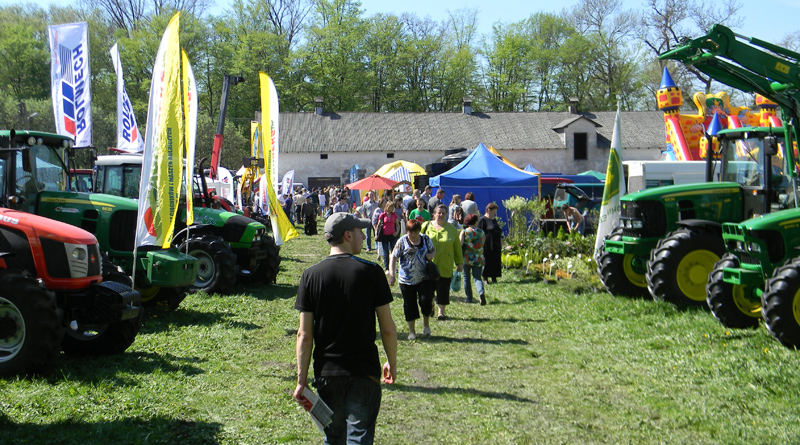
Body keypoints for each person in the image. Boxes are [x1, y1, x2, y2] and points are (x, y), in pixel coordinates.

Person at [293, 212, 397, 444]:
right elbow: (388, 328)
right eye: (360, 231)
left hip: (327, 374)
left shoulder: (310, 276)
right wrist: (391, 361)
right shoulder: (372, 272)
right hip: (364, 372)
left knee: (333, 438)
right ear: (348, 235)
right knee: (359, 438)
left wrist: (301, 381)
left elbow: (304, 334)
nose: (363, 236)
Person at [388, 219, 435, 339]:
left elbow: (433, 250)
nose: (413, 235)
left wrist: (431, 255)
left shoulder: (425, 239)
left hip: (424, 277)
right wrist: (392, 274)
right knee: (410, 305)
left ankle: (426, 325)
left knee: (426, 301)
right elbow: (393, 257)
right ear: (407, 231)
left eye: (415, 232)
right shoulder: (402, 241)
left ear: (419, 231)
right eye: (410, 232)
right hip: (406, 280)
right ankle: (411, 332)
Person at [422, 204, 463, 320]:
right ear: (434, 214)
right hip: (428, 265)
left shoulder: (452, 230)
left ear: (447, 215)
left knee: (443, 290)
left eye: (443, 213)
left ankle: (441, 312)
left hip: (445, 265)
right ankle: (431, 305)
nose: (441, 215)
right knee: (428, 291)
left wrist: (459, 262)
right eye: (439, 213)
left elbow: (457, 248)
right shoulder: (425, 226)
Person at [460, 214, 486, 305]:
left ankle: (469, 298)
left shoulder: (465, 232)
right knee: (477, 278)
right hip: (478, 258)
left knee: (466, 278)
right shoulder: (481, 232)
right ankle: (481, 293)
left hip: (467, 258)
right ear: (475, 221)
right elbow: (483, 243)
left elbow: (460, 244)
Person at [477, 202, 502, 283]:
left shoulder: (494, 220)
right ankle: (485, 278)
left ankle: (494, 277)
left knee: (495, 260)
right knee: (487, 260)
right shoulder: (482, 220)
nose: (495, 214)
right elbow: (479, 233)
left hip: (495, 244)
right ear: (488, 210)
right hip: (487, 244)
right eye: (494, 212)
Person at [375, 201, 401, 271]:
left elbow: (397, 225)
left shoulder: (394, 215)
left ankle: (393, 267)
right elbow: (378, 225)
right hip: (384, 236)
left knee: (393, 252)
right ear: (387, 207)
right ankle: (387, 268)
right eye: (390, 207)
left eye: (393, 207)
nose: (392, 208)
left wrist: (396, 232)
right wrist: (376, 234)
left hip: (392, 235)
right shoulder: (382, 215)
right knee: (385, 252)